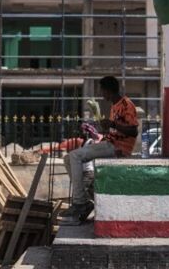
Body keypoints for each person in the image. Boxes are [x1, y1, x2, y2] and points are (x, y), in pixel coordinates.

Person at [62, 75, 138, 225]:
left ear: (108, 90)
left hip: (118, 149)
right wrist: (104, 134)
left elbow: (133, 131)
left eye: (102, 91)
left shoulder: (126, 104)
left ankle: (80, 203)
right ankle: (84, 198)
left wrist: (112, 124)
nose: (101, 94)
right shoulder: (114, 106)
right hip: (110, 144)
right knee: (68, 158)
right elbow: (114, 132)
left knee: (75, 156)